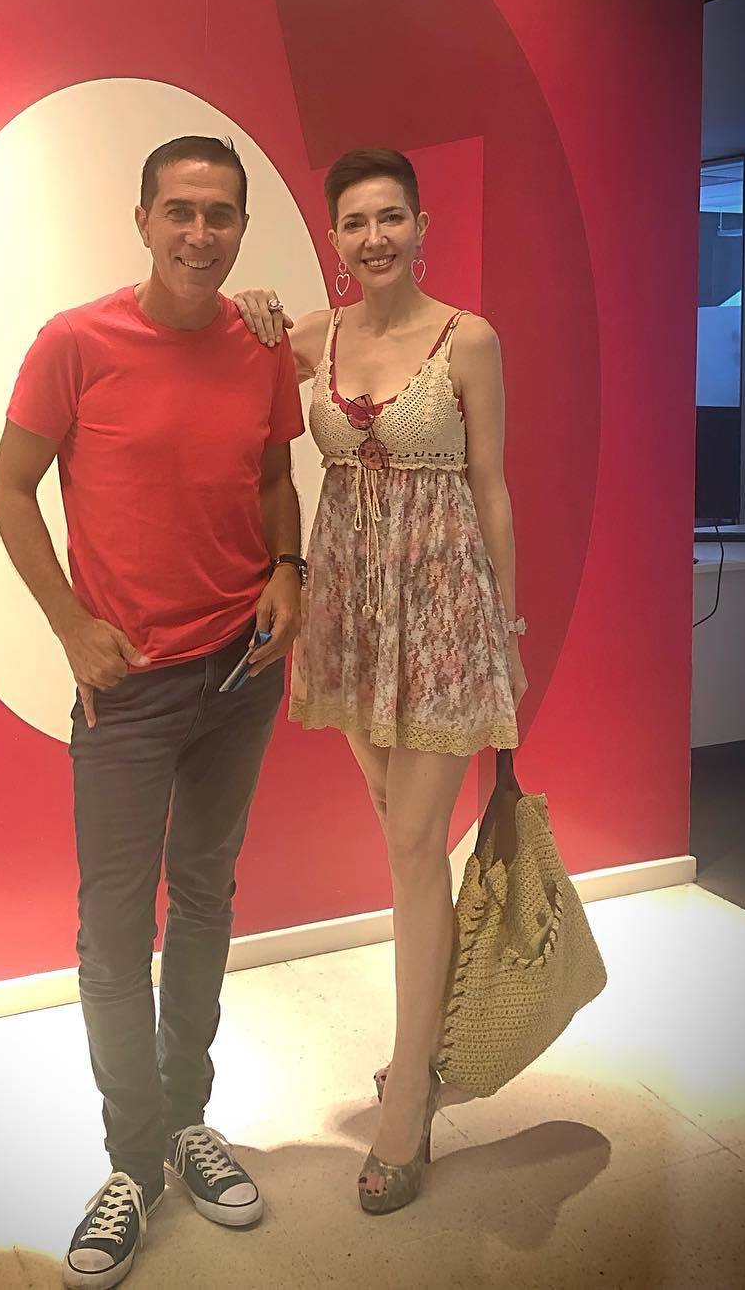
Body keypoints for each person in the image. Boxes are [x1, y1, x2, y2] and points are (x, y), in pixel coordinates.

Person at [0, 135, 306, 1288]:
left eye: (220, 214)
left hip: (241, 672)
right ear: (142, 219)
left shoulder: (260, 343)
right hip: (124, 688)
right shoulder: (74, 342)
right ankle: (132, 1161)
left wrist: (290, 568)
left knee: (207, 897)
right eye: (180, 210)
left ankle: (185, 1119)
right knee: (115, 933)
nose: (200, 233)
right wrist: (71, 623)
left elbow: (274, 475)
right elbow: (8, 486)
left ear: (241, 228)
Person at [234, 146, 527, 1215]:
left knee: (411, 844)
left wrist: (506, 627)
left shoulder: (468, 339)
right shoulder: (315, 338)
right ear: (334, 237)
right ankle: (425, 1050)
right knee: (399, 836)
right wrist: (248, 307)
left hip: (442, 614)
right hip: (352, 612)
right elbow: (222, 366)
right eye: (355, 222)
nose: (374, 238)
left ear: (421, 224)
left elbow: (491, 487)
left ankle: (410, 1095)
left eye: (391, 217)